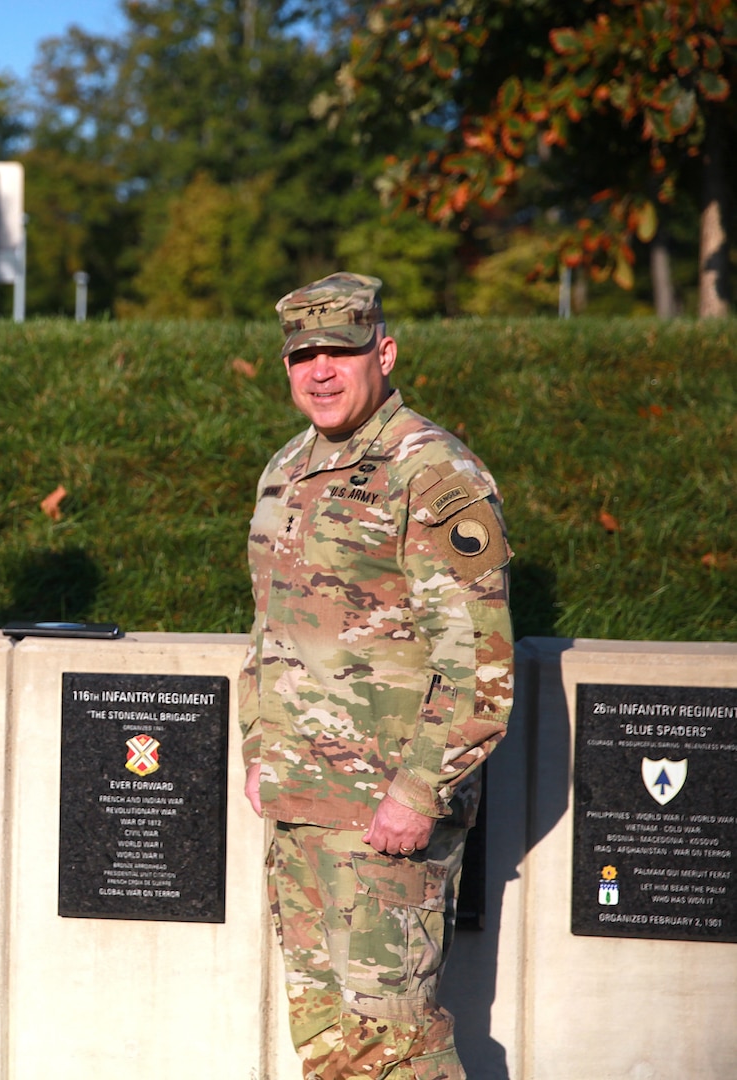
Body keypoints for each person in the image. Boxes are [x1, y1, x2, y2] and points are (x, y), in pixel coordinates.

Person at [239, 272, 514, 1080]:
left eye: (341, 352)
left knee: (392, 1045)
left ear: (383, 353)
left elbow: (480, 665)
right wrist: (261, 751)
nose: (320, 371)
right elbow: (269, 630)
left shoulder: (430, 475)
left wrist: (419, 791)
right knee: (330, 1043)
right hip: (302, 808)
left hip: (384, 821)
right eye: (303, 355)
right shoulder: (287, 467)